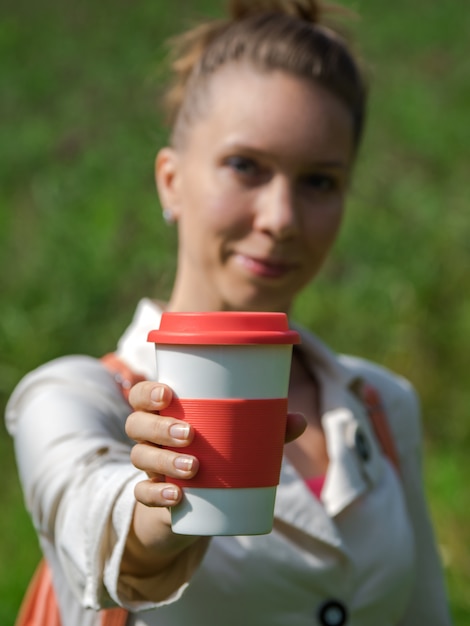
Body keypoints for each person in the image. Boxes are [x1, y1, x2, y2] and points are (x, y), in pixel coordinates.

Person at [6, 1, 452, 624]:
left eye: (319, 181)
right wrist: (159, 512)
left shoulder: (381, 403)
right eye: (246, 166)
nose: (281, 218)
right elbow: (93, 523)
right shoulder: (76, 397)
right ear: (170, 180)